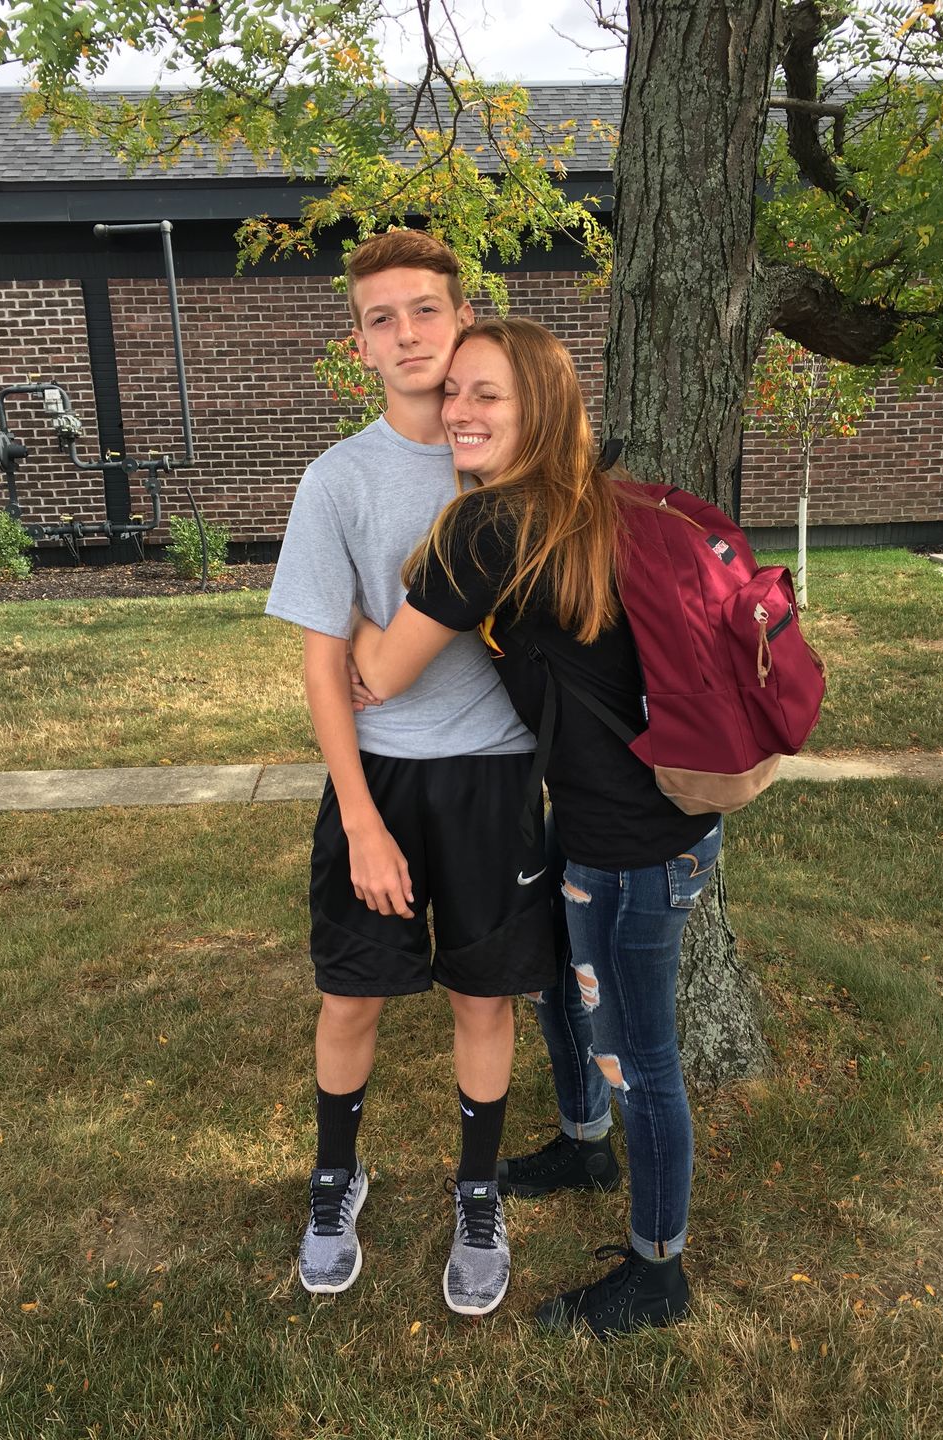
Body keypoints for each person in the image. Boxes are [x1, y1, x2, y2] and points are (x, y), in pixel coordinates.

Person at [350, 316, 724, 1340]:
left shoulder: (489, 527)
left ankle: (657, 1275)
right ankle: (582, 1144)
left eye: (488, 395)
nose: (458, 411)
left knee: (640, 1057)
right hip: (622, 817)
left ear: (540, 410)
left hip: (634, 844)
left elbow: (380, 671)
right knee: (558, 985)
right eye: (453, 391)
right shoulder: (579, 501)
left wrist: (330, 602)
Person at [265, 235, 555, 1317]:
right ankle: (335, 1177)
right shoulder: (337, 478)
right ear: (360, 346)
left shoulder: (504, 459)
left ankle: (479, 1191)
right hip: (378, 779)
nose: (407, 334)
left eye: (426, 309)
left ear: (462, 316)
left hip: (495, 776)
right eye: (381, 319)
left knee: (485, 996)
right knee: (351, 995)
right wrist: (359, 818)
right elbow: (321, 661)